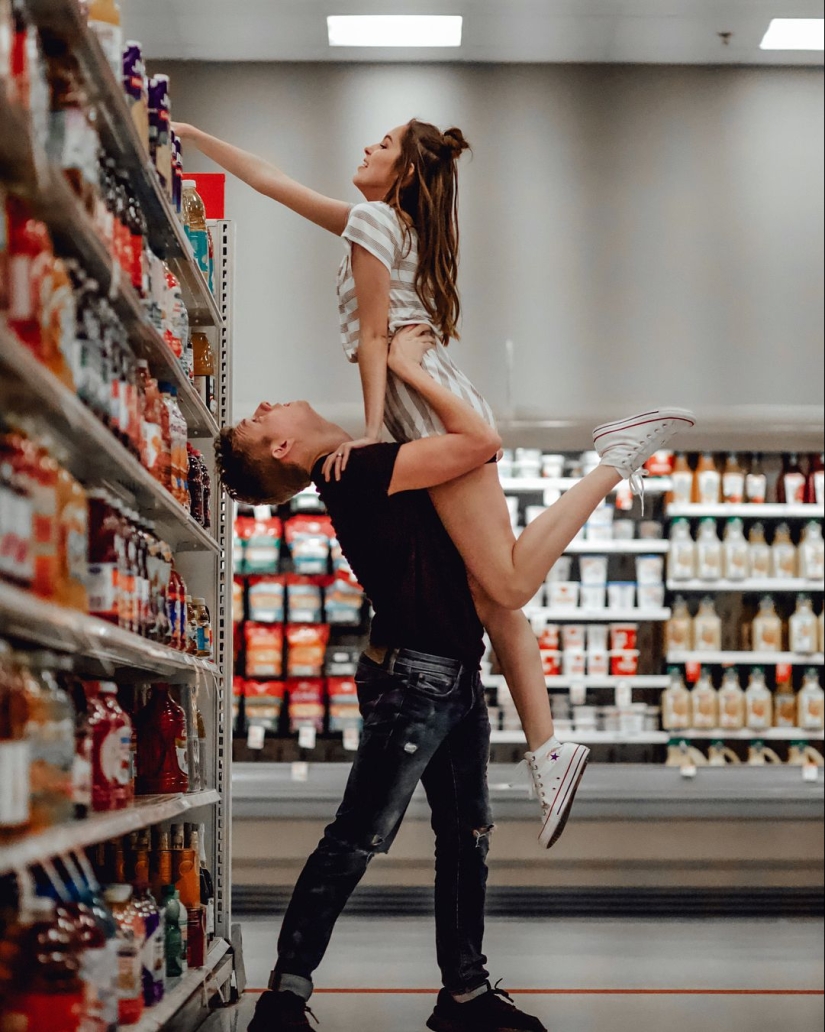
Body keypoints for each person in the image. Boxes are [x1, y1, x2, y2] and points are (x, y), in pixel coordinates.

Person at [175, 115, 688, 848]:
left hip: (422, 407)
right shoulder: (382, 221)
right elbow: (270, 180)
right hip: (431, 398)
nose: (364, 149)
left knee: (506, 586)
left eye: (380, 146)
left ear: (405, 174)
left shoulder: (372, 224)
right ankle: (547, 752)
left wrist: (377, 433)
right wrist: (197, 136)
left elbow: (375, 342)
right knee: (489, 591)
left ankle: (613, 457)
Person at [216, 324, 695, 1032]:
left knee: (464, 833)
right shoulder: (358, 471)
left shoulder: (362, 462)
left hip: (446, 675)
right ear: (283, 451)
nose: (265, 404)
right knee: (359, 836)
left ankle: (463, 994)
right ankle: (285, 999)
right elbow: (479, 441)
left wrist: (392, 374)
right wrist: (410, 364)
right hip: (417, 679)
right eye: (260, 421)